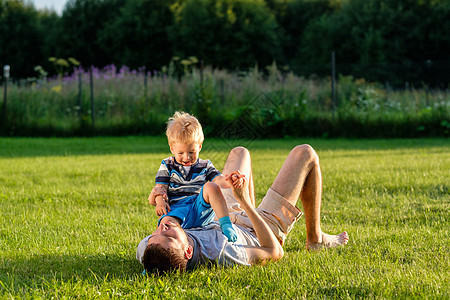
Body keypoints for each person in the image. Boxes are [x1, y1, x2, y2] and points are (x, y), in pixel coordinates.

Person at [137, 145, 349, 273]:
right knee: (306, 153)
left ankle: (246, 202)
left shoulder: (149, 249)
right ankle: (315, 239)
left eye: (155, 235)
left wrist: (159, 194)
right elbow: (274, 252)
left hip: (223, 213)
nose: (162, 228)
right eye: (170, 236)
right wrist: (245, 202)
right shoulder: (222, 252)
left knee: (240, 152)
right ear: (188, 251)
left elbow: (157, 245)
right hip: (257, 228)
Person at [147, 111, 245, 242]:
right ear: (172, 149)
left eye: (191, 152)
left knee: (211, 186)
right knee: (166, 221)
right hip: (176, 210)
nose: (186, 157)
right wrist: (160, 202)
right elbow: (160, 188)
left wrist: (231, 180)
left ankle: (226, 224)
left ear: (199, 146)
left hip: (200, 210)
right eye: (180, 152)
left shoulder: (205, 165)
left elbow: (219, 180)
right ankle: (162, 239)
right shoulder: (167, 165)